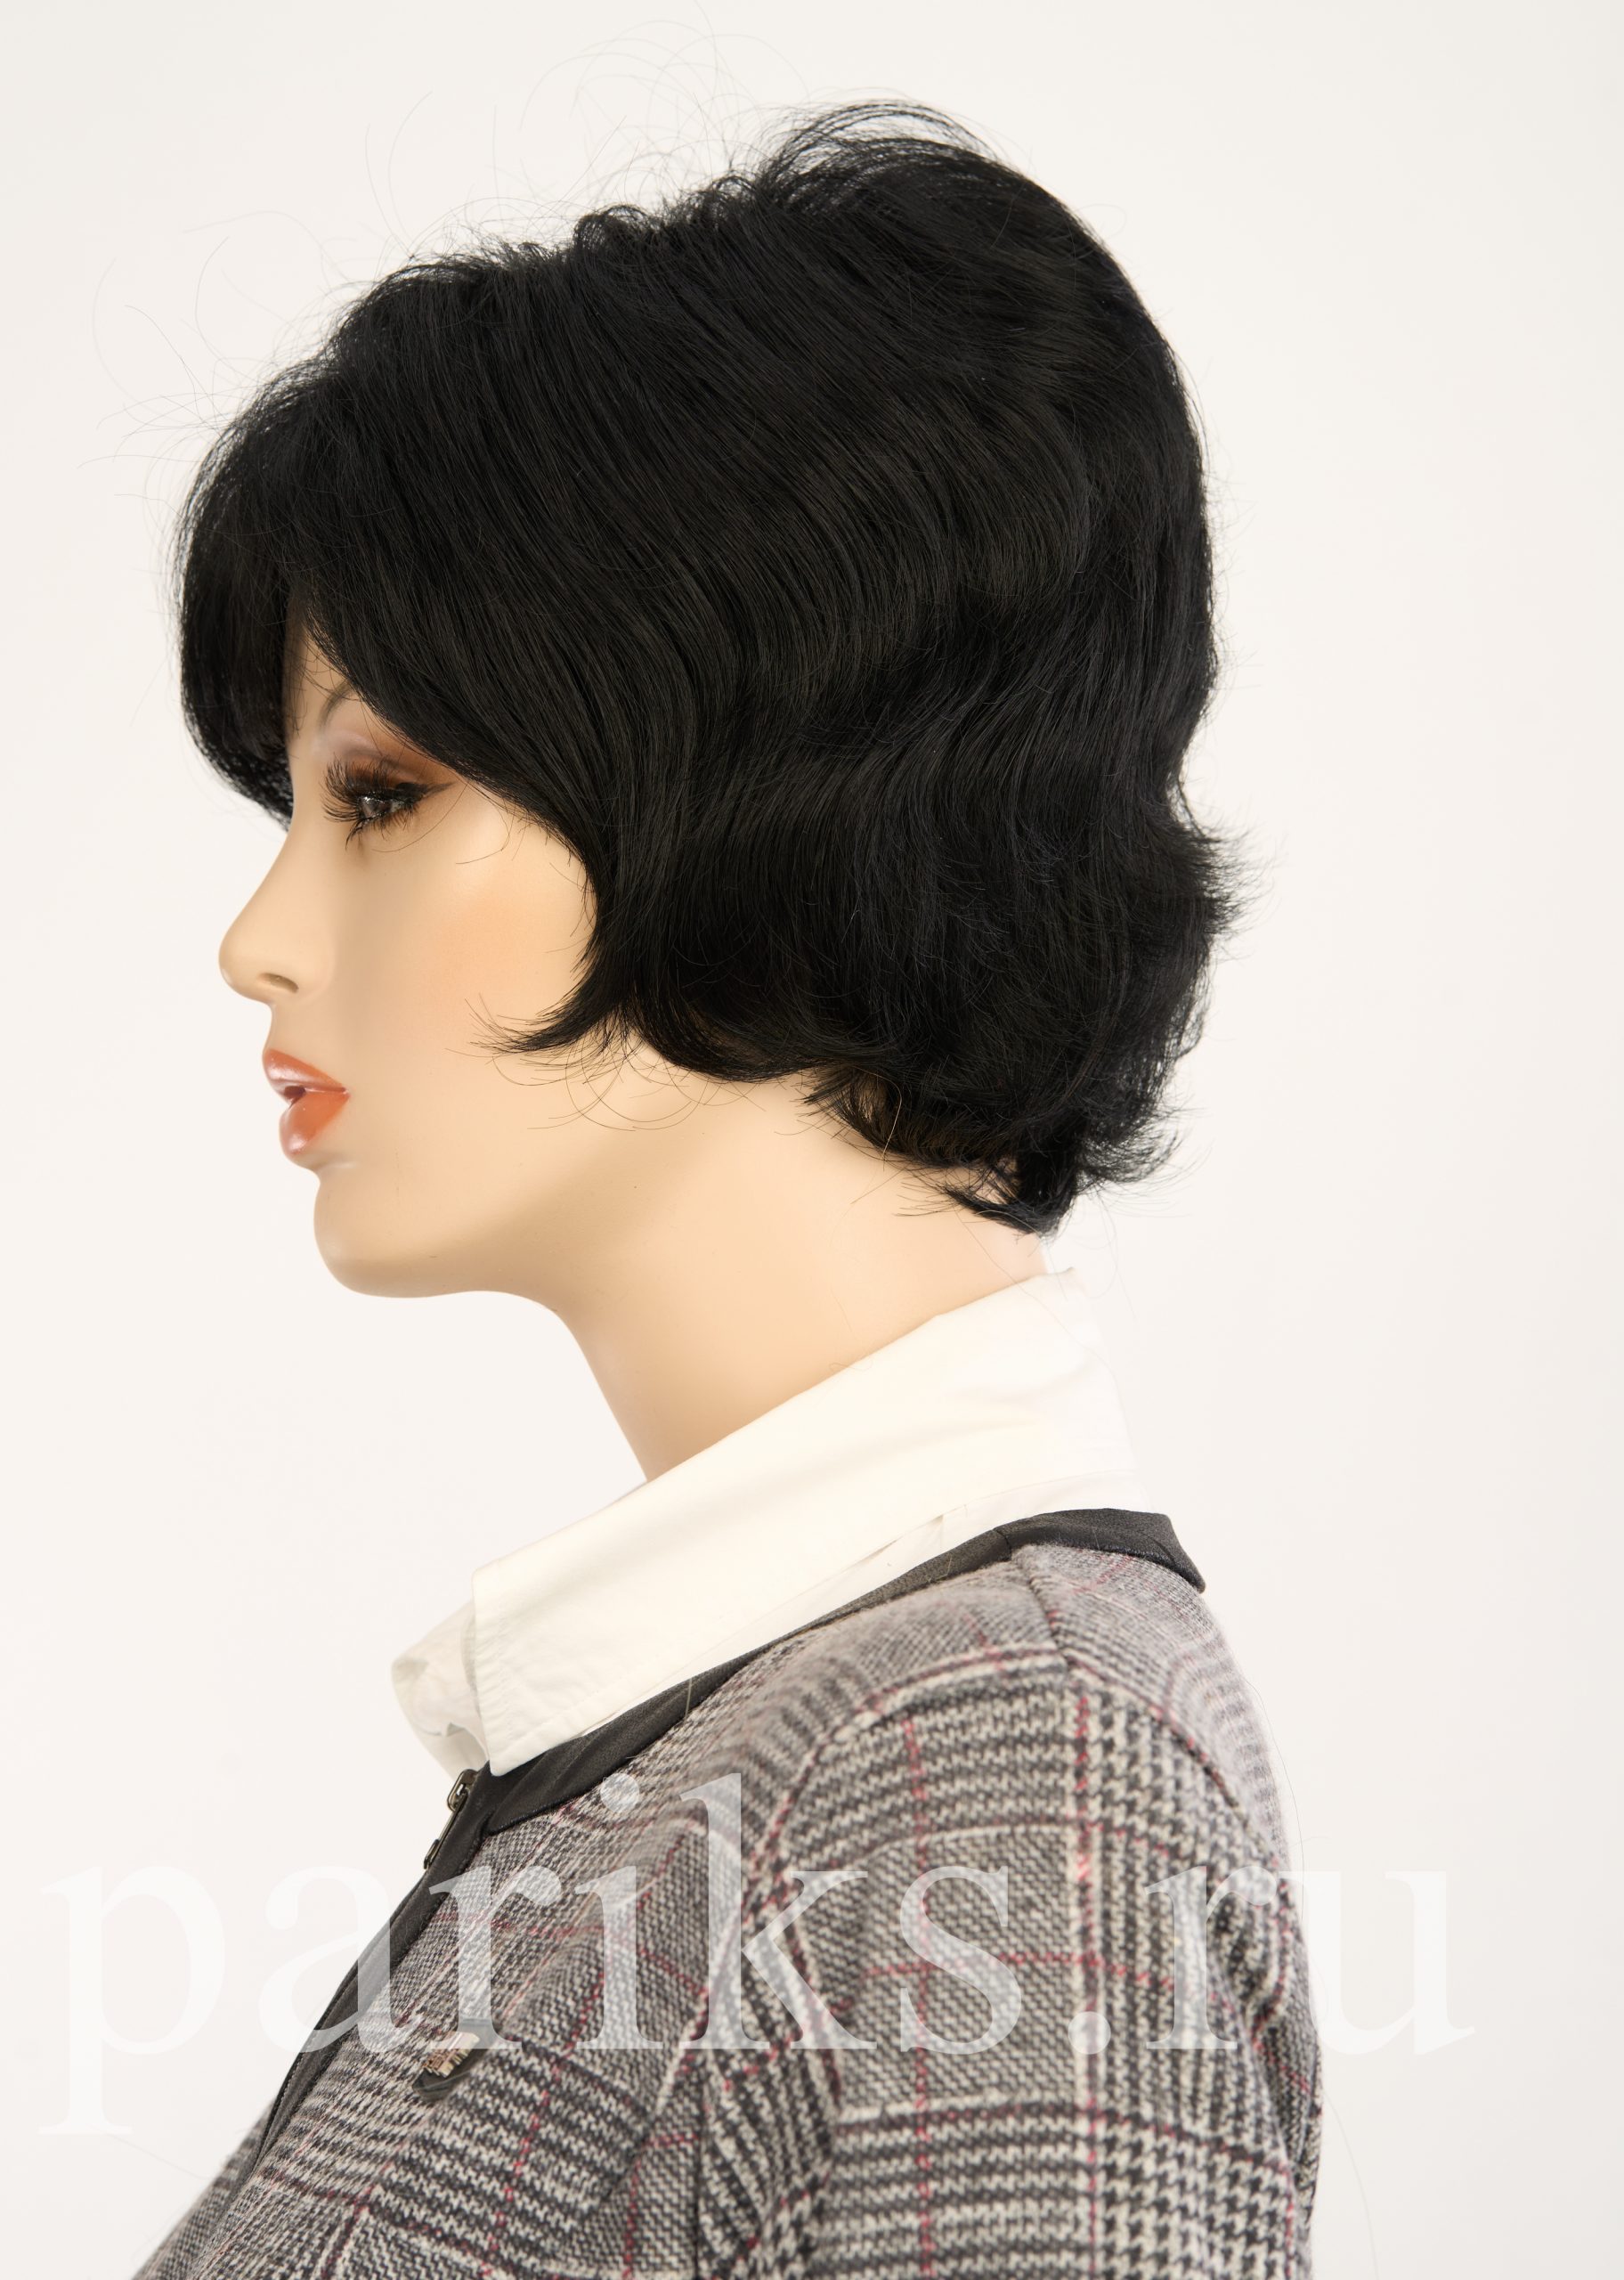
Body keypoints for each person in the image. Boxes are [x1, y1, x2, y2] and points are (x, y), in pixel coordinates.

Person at [133, 97, 1321, 2278]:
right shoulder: (777, 1730)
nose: (260, 938)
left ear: (759, 796)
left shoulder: (1000, 1771)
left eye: (381, 794)